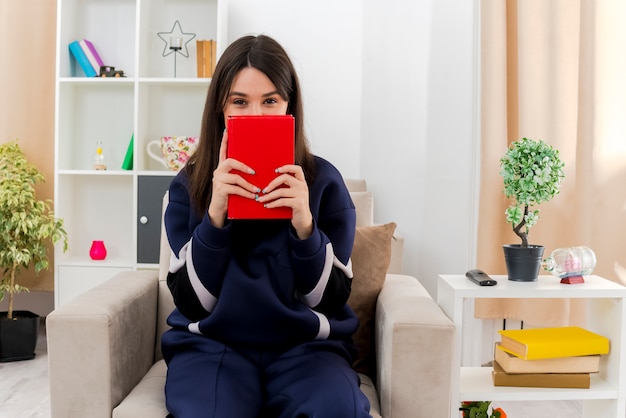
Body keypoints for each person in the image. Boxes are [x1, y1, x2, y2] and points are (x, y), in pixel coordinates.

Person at [161, 34, 372, 418]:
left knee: (338, 410)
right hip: (213, 347)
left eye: (270, 101)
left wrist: (305, 225)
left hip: (306, 348)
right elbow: (192, 303)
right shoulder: (188, 185)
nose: (256, 115)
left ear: (289, 106)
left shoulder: (323, 182)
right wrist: (214, 216)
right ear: (220, 110)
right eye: (239, 102)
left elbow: (329, 302)